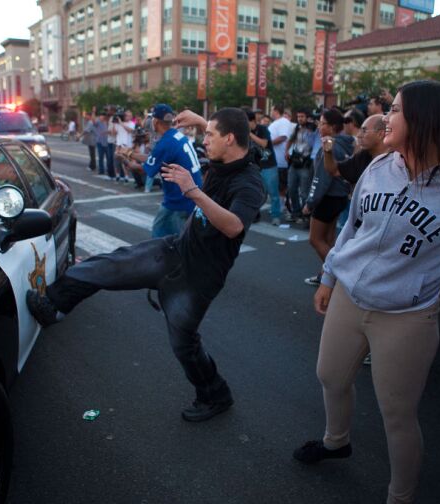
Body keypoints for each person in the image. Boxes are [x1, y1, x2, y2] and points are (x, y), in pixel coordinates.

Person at [294, 80, 440, 504]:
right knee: (329, 376)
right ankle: (336, 441)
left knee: (397, 415)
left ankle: (399, 497)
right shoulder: (380, 166)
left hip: (406, 317)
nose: (386, 117)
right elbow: (352, 228)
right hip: (349, 296)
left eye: (397, 109)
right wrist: (329, 276)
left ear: (424, 120)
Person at [25, 107, 265, 422]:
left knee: (184, 343)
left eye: (209, 135)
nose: (203, 140)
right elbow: (242, 142)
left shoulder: (249, 182)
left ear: (229, 139)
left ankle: (215, 395)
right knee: (110, 264)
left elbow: (234, 226)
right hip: (177, 250)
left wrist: (191, 190)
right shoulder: (231, 155)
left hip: (199, 276)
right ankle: (54, 306)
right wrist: (203, 122)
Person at [304, 108, 354, 286]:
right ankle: (325, 274)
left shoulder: (329, 145)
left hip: (328, 197)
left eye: (323, 123)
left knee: (315, 239)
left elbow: (322, 178)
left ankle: (339, 275)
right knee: (329, 240)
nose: (319, 126)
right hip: (339, 197)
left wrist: (310, 202)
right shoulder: (348, 143)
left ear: (333, 127)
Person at [142, 104, 202, 237]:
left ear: (156, 122)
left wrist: (127, 158)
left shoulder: (166, 143)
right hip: (193, 196)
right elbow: (154, 158)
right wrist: (130, 154)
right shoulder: (177, 135)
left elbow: (148, 169)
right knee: (183, 240)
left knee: (158, 243)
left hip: (177, 201)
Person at [285, 108, 318, 223]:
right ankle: (296, 212)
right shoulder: (297, 128)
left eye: (302, 116)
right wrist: (286, 151)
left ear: (307, 117)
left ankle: (306, 215)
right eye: (298, 116)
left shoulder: (313, 129)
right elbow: (290, 140)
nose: (300, 119)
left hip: (306, 164)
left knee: (305, 192)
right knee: (291, 188)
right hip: (295, 162)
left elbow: (315, 145)